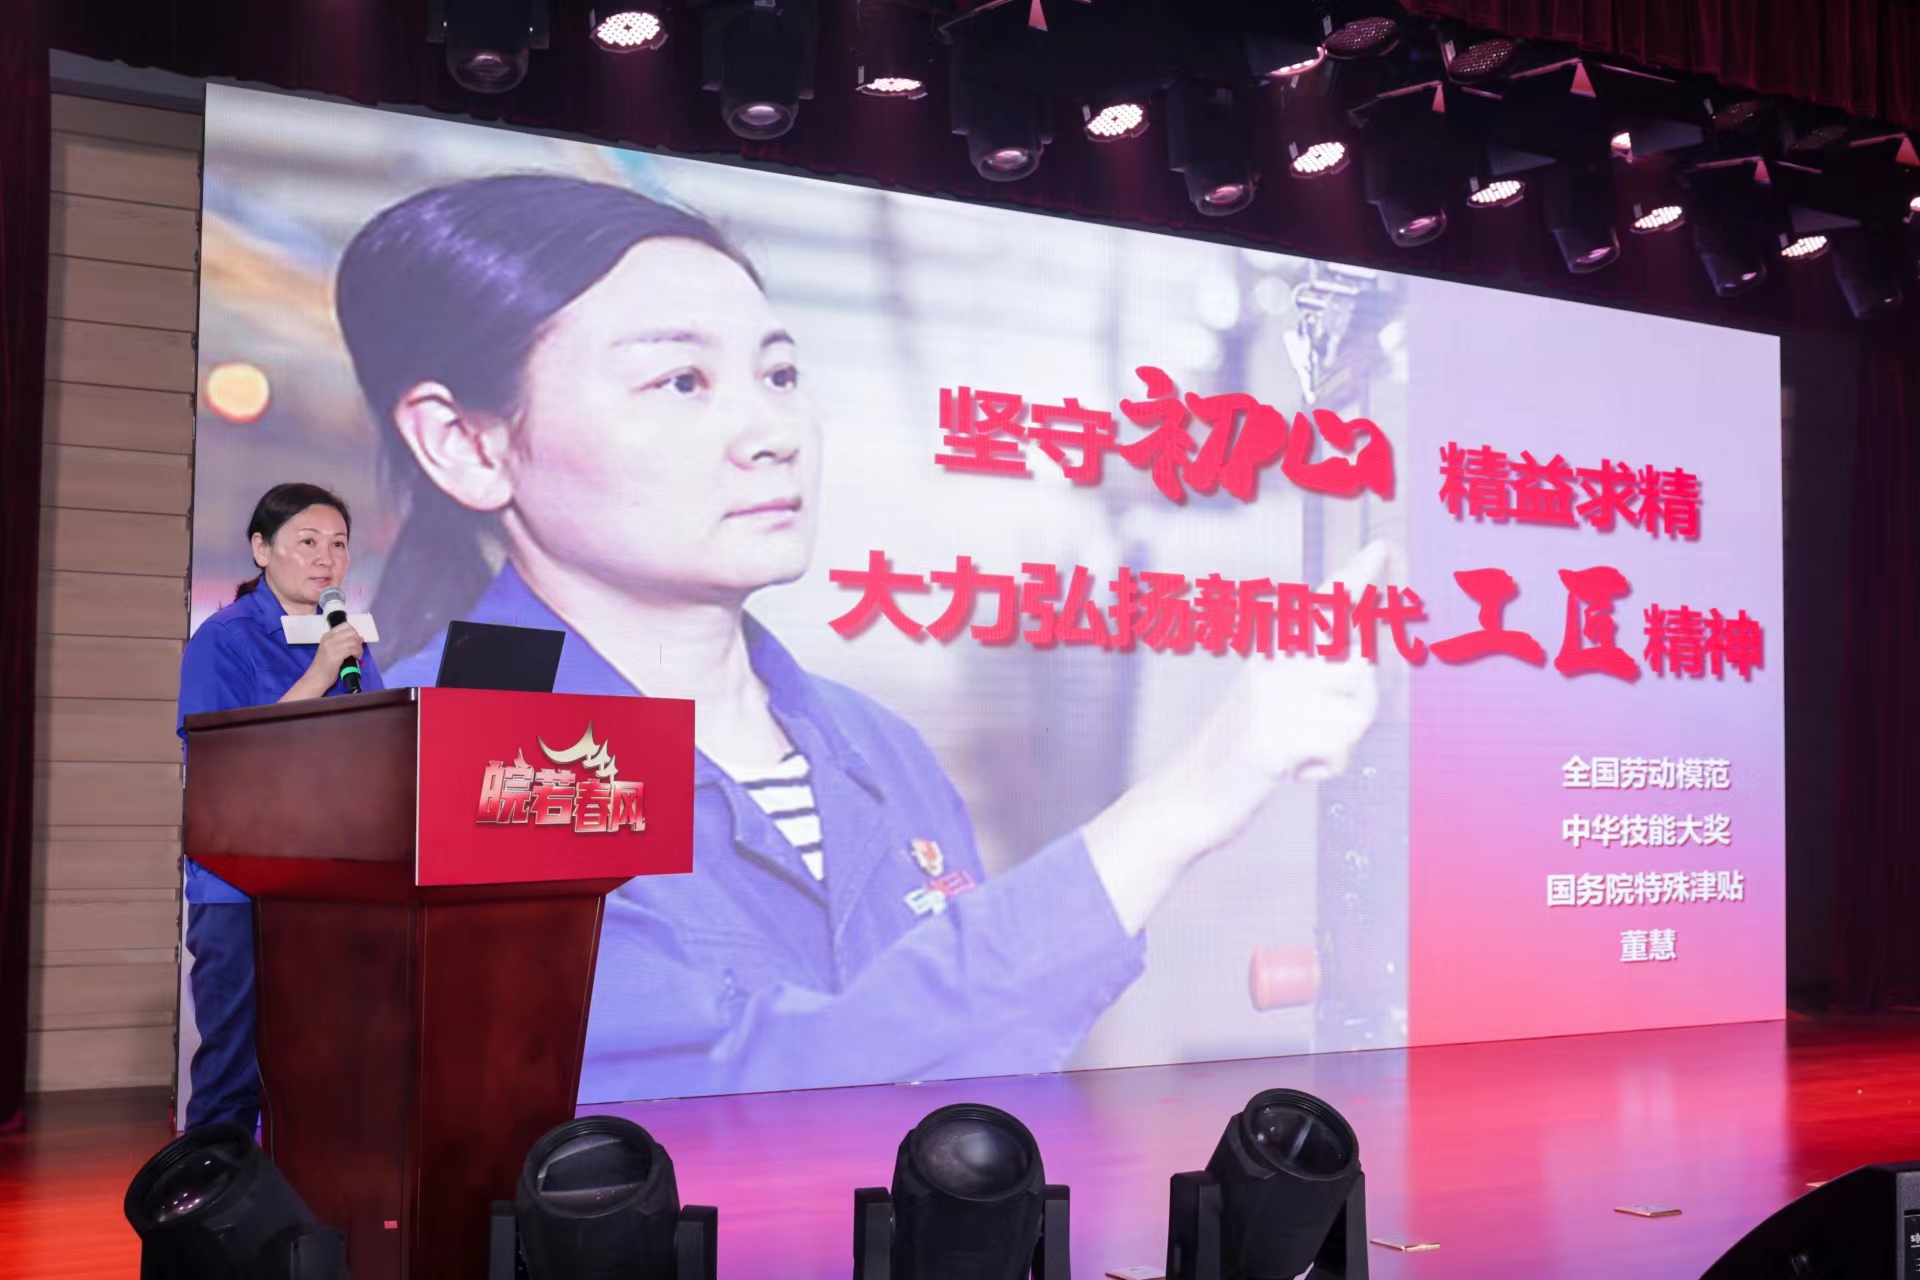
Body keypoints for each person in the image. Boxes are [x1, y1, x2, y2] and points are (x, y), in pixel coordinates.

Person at [339, 175, 1382, 1102]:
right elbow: (727, 1104)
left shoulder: (872, 746)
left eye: (780, 376)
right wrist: (1188, 799)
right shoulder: (461, 751)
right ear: (466, 444)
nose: (772, 432)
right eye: (681, 382)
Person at [175, 483, 384, 1129]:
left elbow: (381, 739)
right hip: (241, 882)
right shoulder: (224, 638)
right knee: (234, 1068)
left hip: (332, 878)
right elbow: (225, 756)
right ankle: (216, 1190)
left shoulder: (348, 641)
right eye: (307, 541)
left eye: (339, 545)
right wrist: (318, 675)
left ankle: (302, 1189)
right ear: (261, 550)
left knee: (320, 1065)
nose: (326, 558)